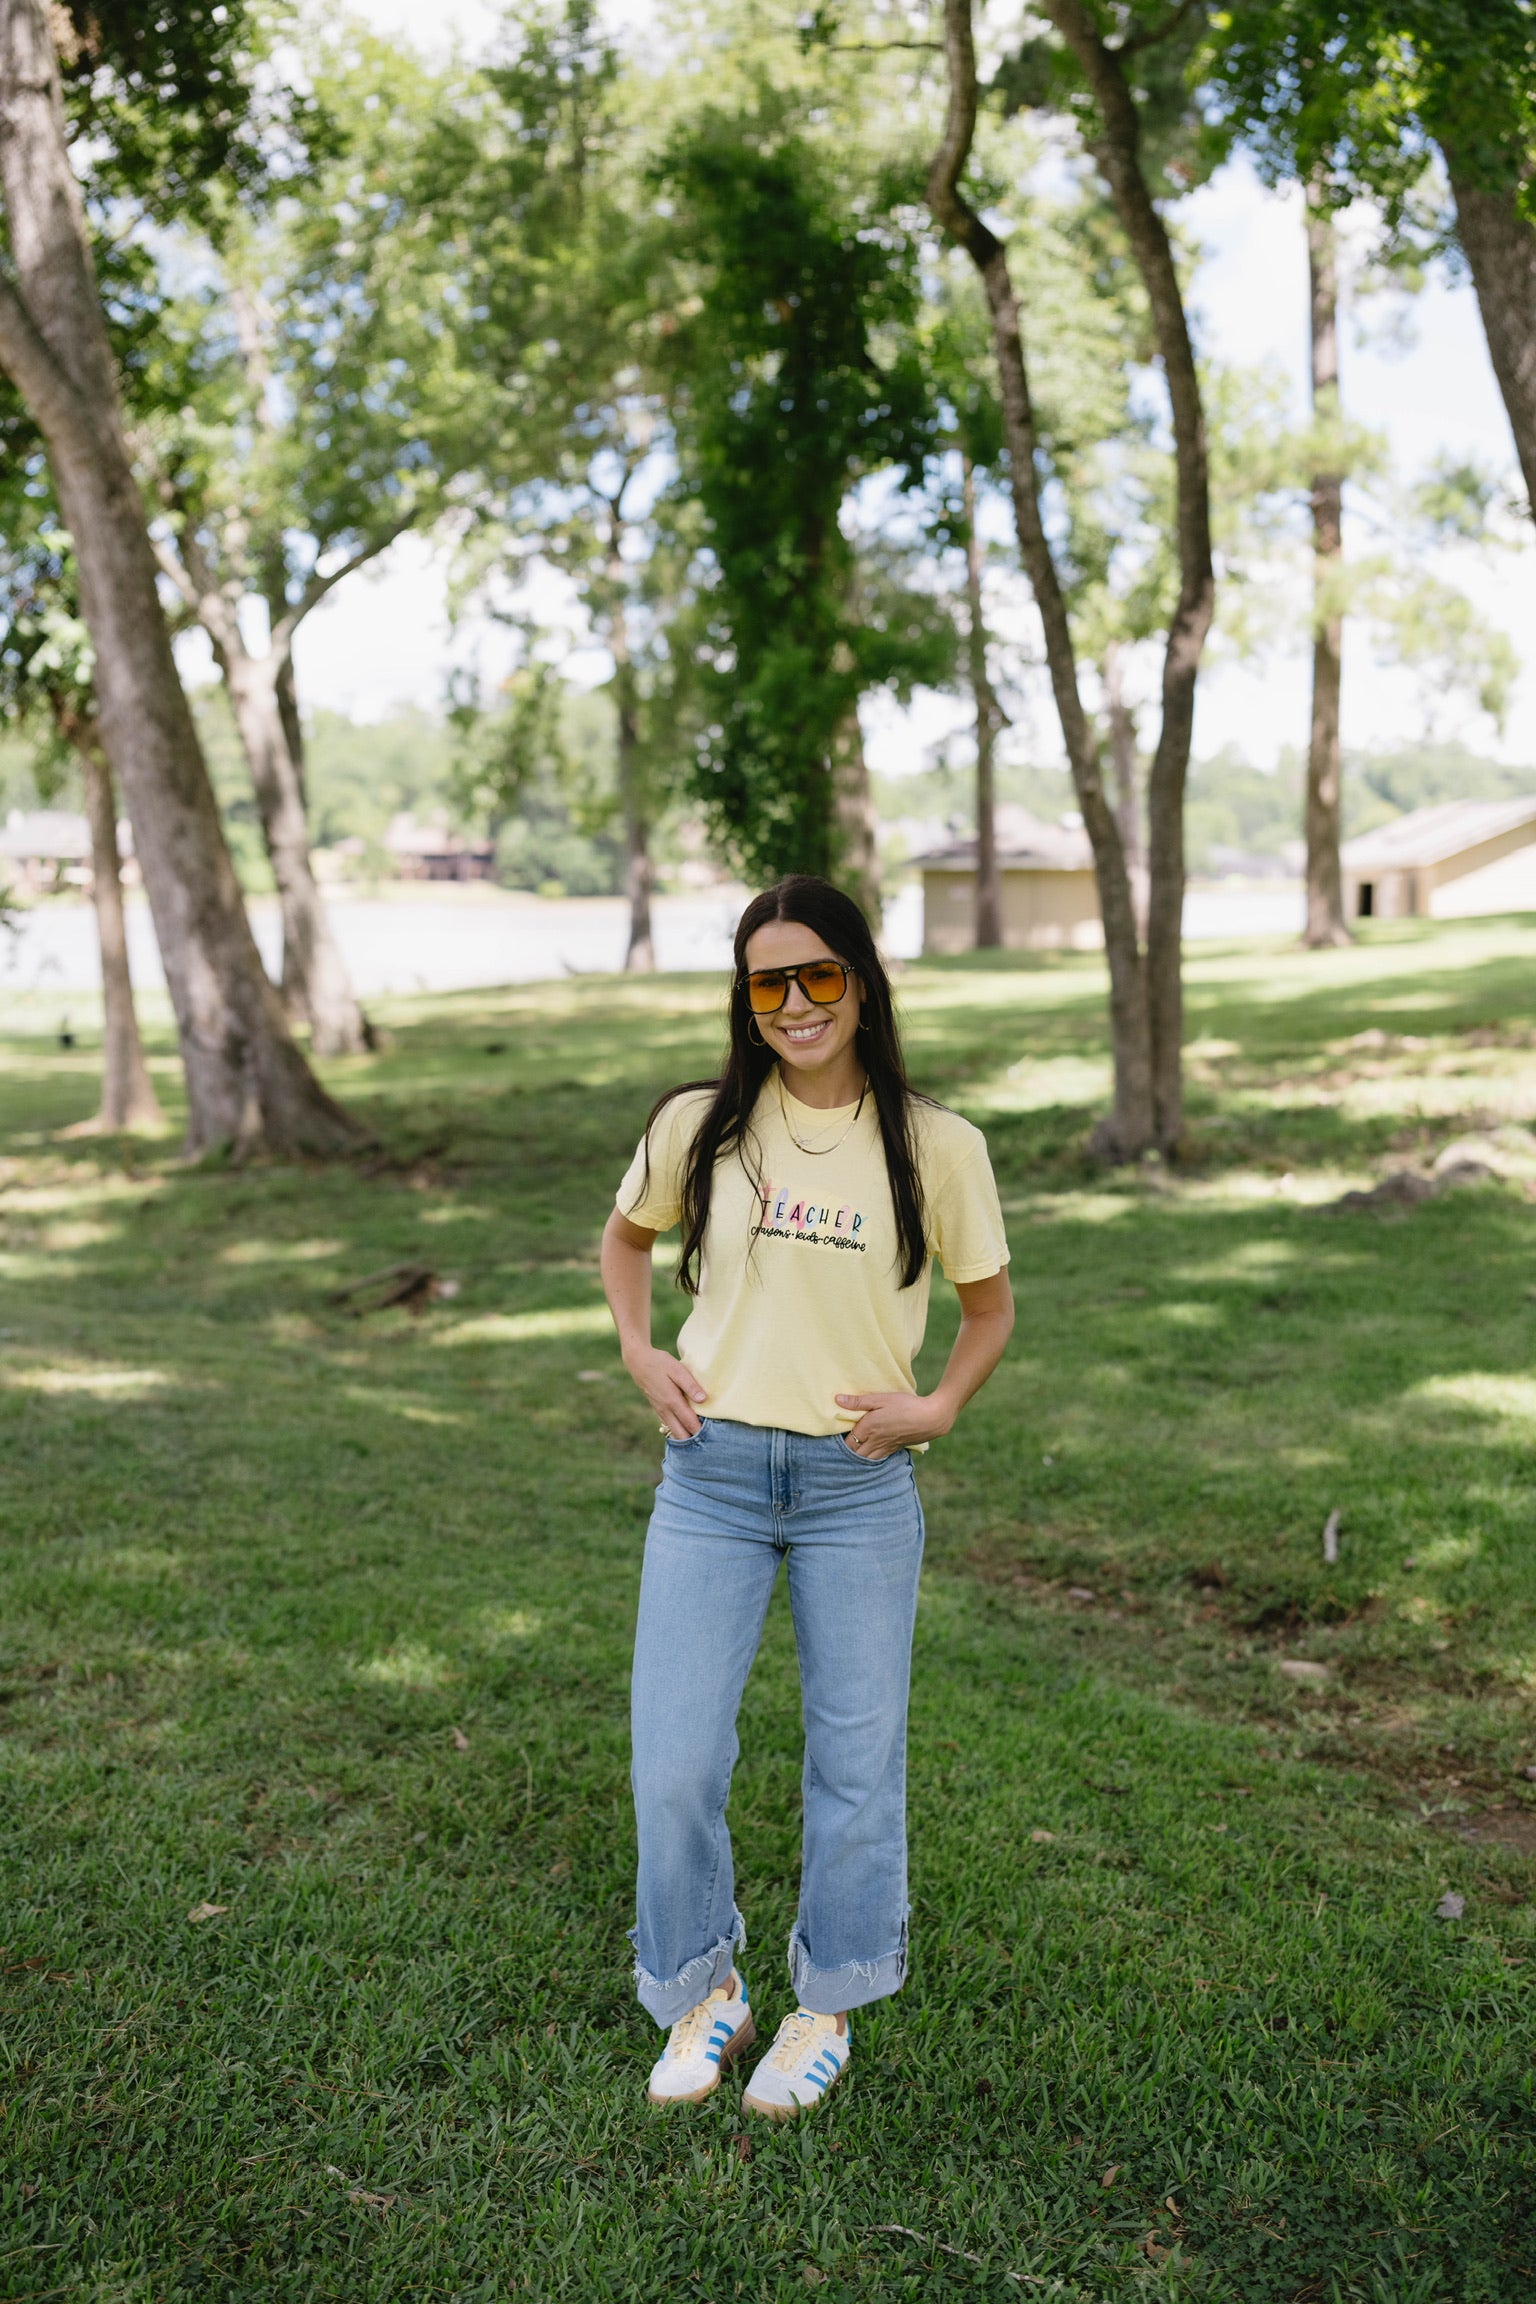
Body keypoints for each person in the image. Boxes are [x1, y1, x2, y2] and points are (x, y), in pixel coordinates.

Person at [600, 874, 1014, 2118]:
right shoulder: (700, 1125)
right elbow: (626, 1242)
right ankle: (699, 1987)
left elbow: (989, 1310)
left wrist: (937, 1406)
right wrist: (637, 1348)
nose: (795, 1003)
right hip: (712, 1479)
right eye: (768, 982)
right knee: (672, 1758)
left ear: (862, 982)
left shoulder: (940, 1147)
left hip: (856, 1489)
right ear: (747, 997)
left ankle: (824, 2001)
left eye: (818, 975)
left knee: (855, 1762)